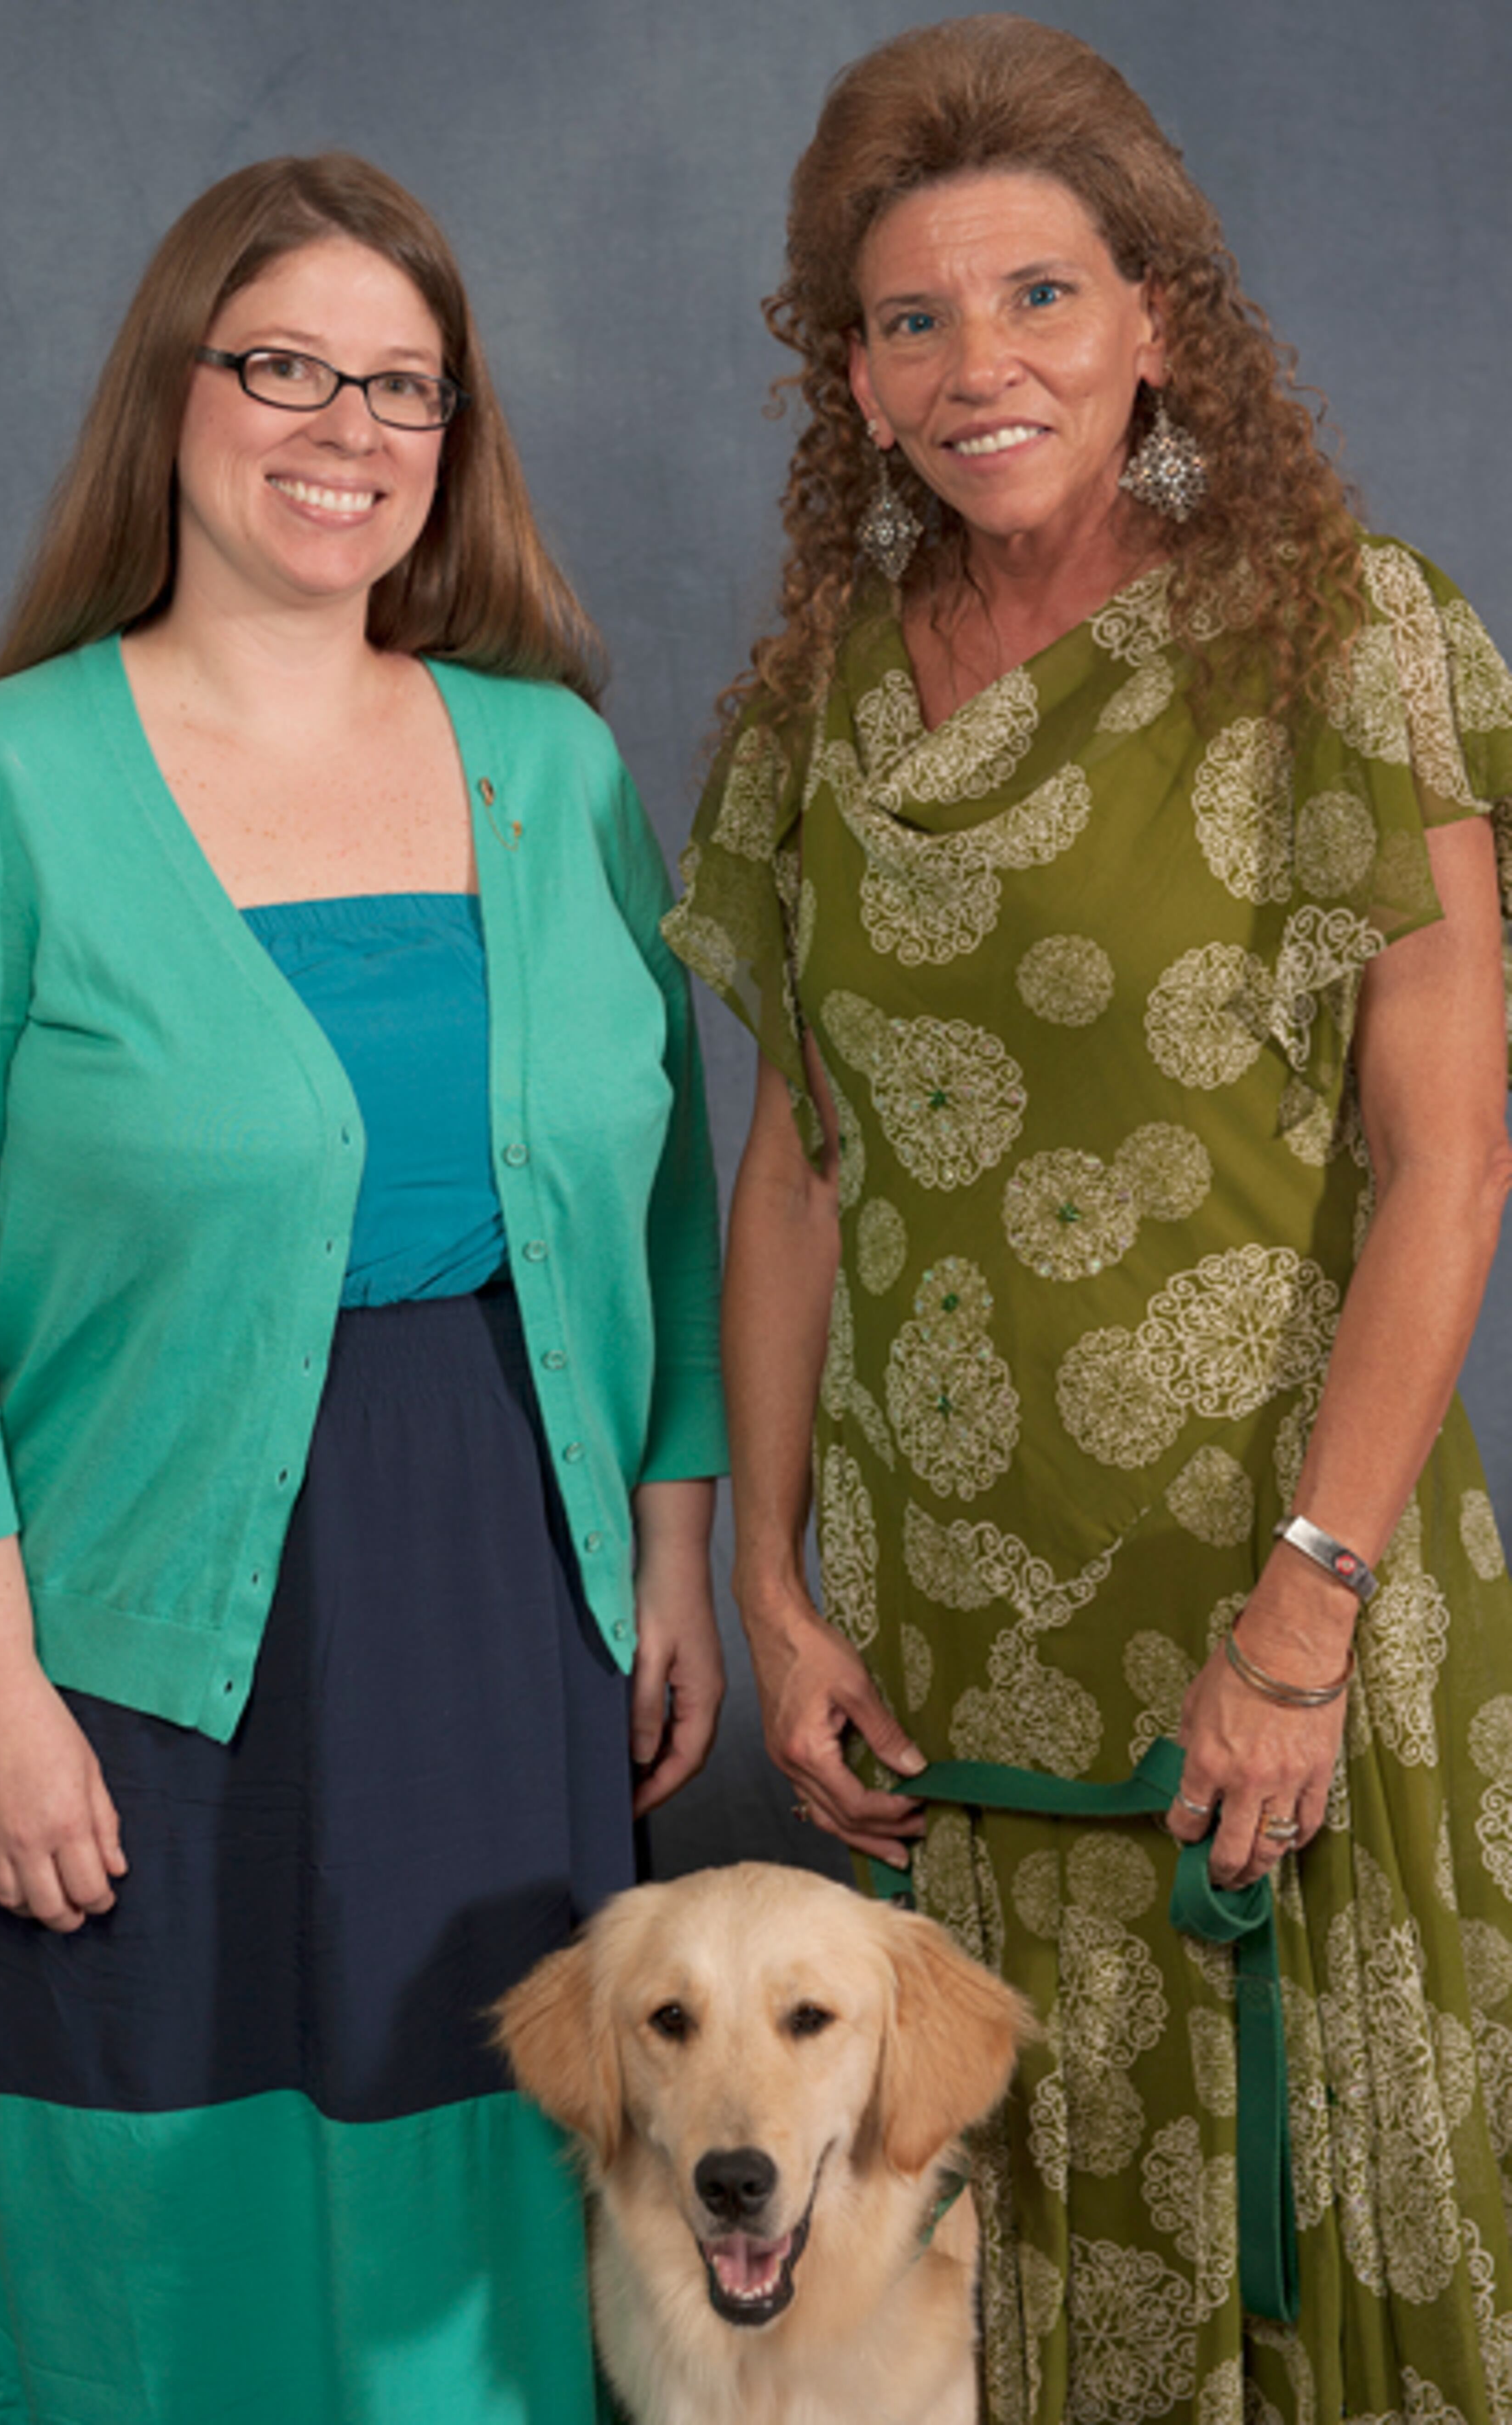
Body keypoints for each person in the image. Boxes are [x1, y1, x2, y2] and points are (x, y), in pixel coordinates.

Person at [0, 153, 727, 2425]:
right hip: (132, 1636)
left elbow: (672, 1174)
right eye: (288, 364)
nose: (348, 428)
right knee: (150, 2193)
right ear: (175, 391)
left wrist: (675, 1546)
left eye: (404, 384)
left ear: (454, 436)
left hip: (515, 1607)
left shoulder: (551, 766)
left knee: (495, 2178)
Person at [663, 17, 1512, 2419]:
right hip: (957, 1673)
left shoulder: (1345, 638)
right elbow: (800, 1158)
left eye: (1038, 297)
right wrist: (773, 1576)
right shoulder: (825, 696)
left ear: (1159, 318)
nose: (979, 365)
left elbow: (1455, 1158)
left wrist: (1307, 1616)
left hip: (1270, 1627)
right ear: (852, 374)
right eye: (914, 320)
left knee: (1305, 2267)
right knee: (1033, 2278)